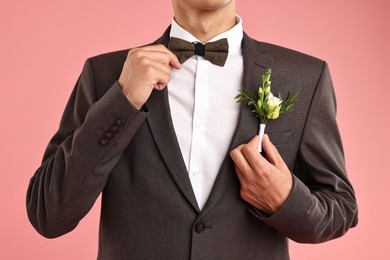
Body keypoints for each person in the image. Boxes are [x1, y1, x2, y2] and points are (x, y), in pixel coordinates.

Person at [26, 0, 358, 259]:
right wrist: (122, 100)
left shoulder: (304, 76)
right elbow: (49, 215)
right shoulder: (105, 74)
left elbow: (341, 209)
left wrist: (285, 200)